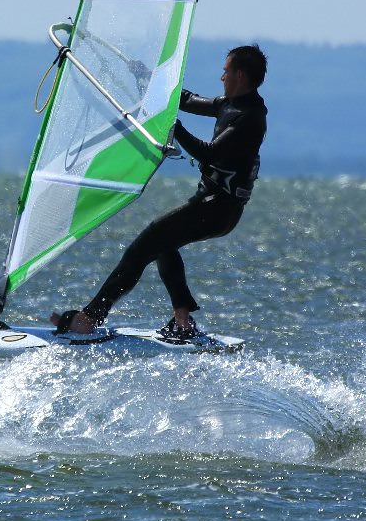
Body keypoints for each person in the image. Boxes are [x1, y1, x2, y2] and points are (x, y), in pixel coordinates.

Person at [51, 44, 268, 337]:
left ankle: (90, 317)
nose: (222, 77)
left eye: (226, 71)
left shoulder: (250, 116)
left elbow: (210, 154)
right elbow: (188, 99)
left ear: (240, 75)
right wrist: (152, 78)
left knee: (147, 242)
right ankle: (183, 320)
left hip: (219, 209)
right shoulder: (228, 104)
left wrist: (173, 126)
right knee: (163, 244)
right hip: (211, 204)